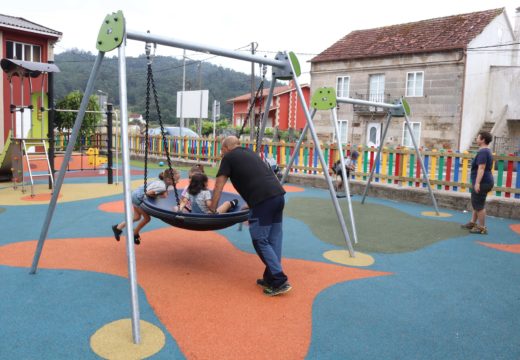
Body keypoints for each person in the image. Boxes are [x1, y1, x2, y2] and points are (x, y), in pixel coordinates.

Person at [210, 136, 290, 297]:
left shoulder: (229, 157)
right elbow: (255, 177)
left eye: (221, 149)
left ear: (226, 148)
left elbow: (219, 183)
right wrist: (251, 202)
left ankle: (280, 280)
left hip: (263, 201)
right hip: (278, 196)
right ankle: (270, 277)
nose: (221, 153)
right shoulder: (250, 153)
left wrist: (213, 207)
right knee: (274, 239)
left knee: (260, 240)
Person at [112, 168, 180, 244]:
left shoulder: (161, 182)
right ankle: (135, 233)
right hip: (138, 198)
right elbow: (148, 193)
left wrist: (162, 193)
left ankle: (118, 227)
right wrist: (159, 195)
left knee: (137, 217)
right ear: (168, 180)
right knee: (147, 219)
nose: (178, 181)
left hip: (135, 194)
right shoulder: (162, 186)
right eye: (176, 179)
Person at [461, 131, 494, 234]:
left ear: (483, 139)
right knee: (477, 203)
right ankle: (473, 223)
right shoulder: (486, 151)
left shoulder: (483, 152)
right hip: (485, 181)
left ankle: (482, 227)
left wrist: (477, 183)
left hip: (483, 182)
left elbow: (482, 168)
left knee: (479, 205)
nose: (476, 139)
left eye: (478, 137)